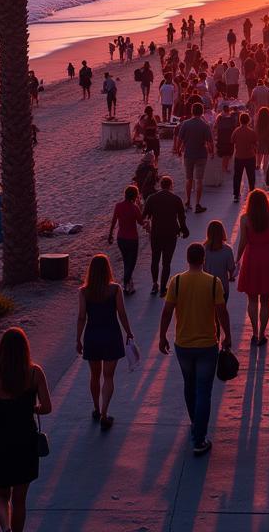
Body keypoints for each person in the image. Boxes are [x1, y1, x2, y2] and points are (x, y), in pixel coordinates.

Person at [158, 241, 233, 456]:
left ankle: (195, 423)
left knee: (189, 386)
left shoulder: (177, 282)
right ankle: (199, 438)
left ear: (187, 259)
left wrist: (162, 336)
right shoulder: (213, 283)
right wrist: (227, 335)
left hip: (183, 344)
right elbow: (222, 312)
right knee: (204, 391)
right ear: (204, 260)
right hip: (207, 344)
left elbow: (167, 312)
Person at [0, 328, 52, 532]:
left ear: (2, 350)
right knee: (20, 500)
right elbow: (47, 407)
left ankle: (5, 528)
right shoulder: (35, 372)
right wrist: (32, 407)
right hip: (25, 440)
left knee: (1, 495)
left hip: (0, 441)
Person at [76, 254, 134, 430]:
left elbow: (81, 317)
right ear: (108, 269)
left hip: (92, 336)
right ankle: (104, 413)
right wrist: (129, 332)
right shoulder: (115, 289)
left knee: (94, 375)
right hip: (111, 335)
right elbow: (122, 313)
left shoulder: (84, 291)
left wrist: (78, 339)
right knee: (108, 376)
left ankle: (95, 407)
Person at [236, 189, 269, 345]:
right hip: (268, 256)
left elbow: (243, 241)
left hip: (251, 257)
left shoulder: (245, 218)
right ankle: (262, 334)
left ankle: (254, 332)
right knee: (265, 300)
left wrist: (237, 258)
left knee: (251, 299)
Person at [142, 175, 189, 297]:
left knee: (155, 259)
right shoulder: (176, 199)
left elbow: (144, 215)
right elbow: (181, 217)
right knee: (166, 262)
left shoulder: (152, 198)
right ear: (171, 186)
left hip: (156, 233)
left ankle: (154, 284)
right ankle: (163, 288)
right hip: (171, 233)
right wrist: (184, 229)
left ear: (160, 185)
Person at [175, 103, 214, 213]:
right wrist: (212, 152)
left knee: (189, 178)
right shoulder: (205, 125)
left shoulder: (186, 124)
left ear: (192, 111)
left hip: (188, 154)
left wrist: (178, 150)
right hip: (201, 154)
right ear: (202, 112)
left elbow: (180, 139)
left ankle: (187, 201)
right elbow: (210, 142)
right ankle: (197, 204)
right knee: (199, 180)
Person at [108, 185, 143, 295]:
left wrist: (110, 234)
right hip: (132, 239)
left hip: (121, 238)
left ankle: (129, 285)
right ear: (135, 196)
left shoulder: (118, 206)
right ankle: (125, 284)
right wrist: (141, 208)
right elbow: (141, 222)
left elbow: (114, 221)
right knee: (131, 264)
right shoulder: (134, 208)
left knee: (126, 261)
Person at [203, 221, 236, 300]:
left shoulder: (203, 249)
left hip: (207, 286)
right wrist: (231, 276)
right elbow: (231, 268)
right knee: (221, 310)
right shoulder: (227, 250)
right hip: (222, 286)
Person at [231, 111, 257, 204]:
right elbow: (255, 144)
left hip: (239, 156)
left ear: (240, 121)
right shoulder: (251, 132)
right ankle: (252, 193)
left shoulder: (236, 131)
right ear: (248, 121)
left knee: (237, 176)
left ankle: (236, 195)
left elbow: (232, 141)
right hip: (250, 156)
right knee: (251, 176)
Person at [214, 103, 236, 176]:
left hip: (221, 138)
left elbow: (216, 126)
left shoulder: (219, 117)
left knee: (223, 154)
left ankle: (224, 168)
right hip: (229, 138)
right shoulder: (232, 118)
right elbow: (234, 127)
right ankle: (224, 168)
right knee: (227, 154)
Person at [255, 105, 269, 173]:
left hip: (260, 141)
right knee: (266, 155)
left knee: (259, 153)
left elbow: (256, 131)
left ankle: (258, 165)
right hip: (268, 140)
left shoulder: (258, 122)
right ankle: (265, 168)